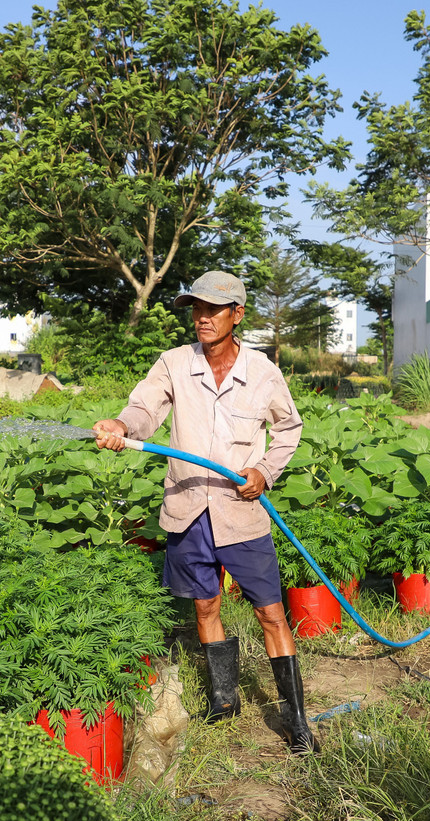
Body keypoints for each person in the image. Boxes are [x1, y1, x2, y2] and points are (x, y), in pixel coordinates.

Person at [94, 270, 314, 753]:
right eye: (196, 308)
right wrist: (120, 424)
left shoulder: (262, 372)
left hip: (240, 510)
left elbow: (289, 429)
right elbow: (144, 411)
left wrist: (264, 471)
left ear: (237, 315)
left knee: (272, 614)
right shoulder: (173, 364)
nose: (202, 318)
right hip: (189, 506)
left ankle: (296, 720)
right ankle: (223, 701)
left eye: (213, 309)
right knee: (205, 604)